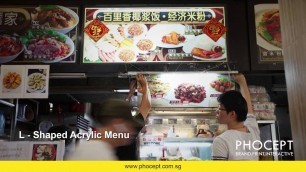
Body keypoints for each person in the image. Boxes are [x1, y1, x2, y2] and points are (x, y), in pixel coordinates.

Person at [66, 99, 140, 160]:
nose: (132, 131)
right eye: (130, 125)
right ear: (118, 123)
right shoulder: (98, 154)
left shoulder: (94, 148)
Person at [211, 73, 260, 160]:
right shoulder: (253, 130)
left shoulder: (221, 141)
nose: (216, 111)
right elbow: (249, 110)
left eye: (220, 109)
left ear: (232, 114)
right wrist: (242, 82)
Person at [115, 73, 152, 160]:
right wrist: (145, 87)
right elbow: (147, 106)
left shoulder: (112, 131)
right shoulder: (129, 129)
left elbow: (146, 106)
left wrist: (131, 93)